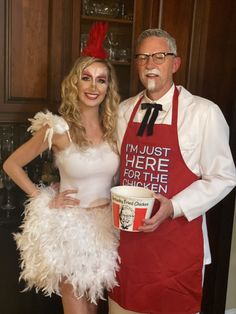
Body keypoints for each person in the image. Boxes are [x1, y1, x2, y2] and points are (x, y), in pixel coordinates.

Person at [108, 28, 236, 314]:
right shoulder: (123, 111)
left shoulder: (204, 113)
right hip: (128, 250)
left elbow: (224, 177)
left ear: (175, 64)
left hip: (175, 251)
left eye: (159, 56)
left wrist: (174, 206)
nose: (150, 64)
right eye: (142, 57)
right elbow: (113, 171)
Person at [3, 22, 121, 314]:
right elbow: (11, 164)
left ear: (109, 87)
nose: (93, 87)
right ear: (75, 83)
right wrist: (45, 198)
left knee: (93, 311)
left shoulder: (115, 126)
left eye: (101, 80)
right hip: (73, 229)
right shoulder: (57, 128)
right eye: (86, 78)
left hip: (106, 229)